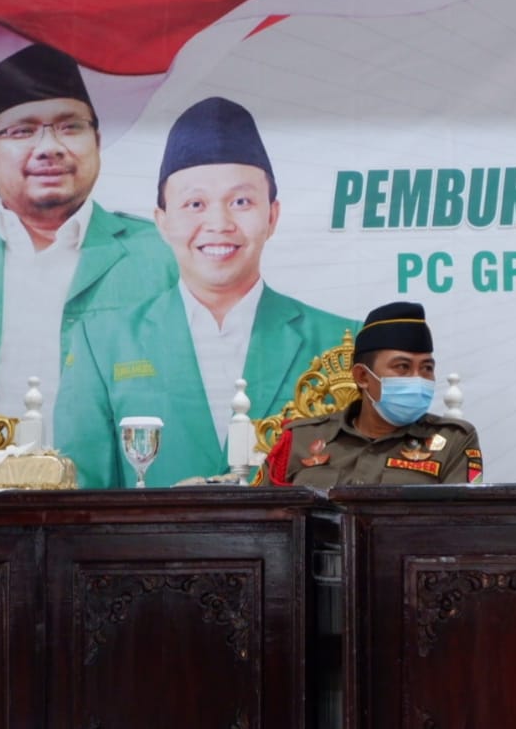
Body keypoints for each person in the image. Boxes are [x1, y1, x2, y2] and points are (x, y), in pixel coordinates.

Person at [56, 96, 357, 487]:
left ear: (272, 216)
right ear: (162, 222)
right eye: (195, 203)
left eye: (241, 201)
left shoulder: (344, 343)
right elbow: (80, 497)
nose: (218, 223)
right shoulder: (102, 344)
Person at [0, 42, 176, 415]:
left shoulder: (164, 253)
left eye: (70, 127)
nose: (49, 148)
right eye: (22, 131)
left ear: (97, 141)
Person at [256, 300, 482, 487]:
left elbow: (458, 522)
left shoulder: (453, 441)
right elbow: (263, 516)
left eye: (427, 368)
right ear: (363, 376)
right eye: (402, 367)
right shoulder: (300, 439)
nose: (418, 379)